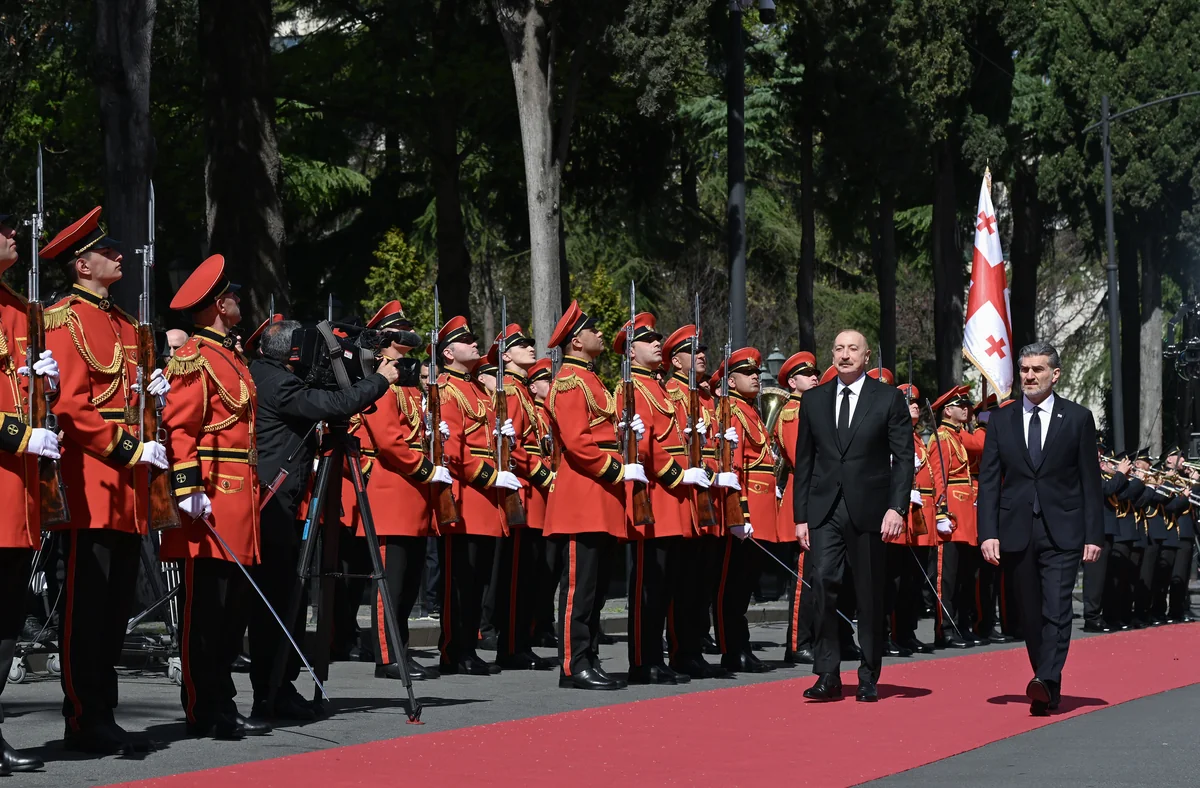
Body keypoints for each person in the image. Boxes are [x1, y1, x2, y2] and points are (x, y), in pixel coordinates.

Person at [41, 207, 170, 754]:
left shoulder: (124, 322)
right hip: (92, 478)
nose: (119, 255)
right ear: (81, 265)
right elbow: (71, 407)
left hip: (128, 486)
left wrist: (155, 396)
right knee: (87, 606)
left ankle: (103, 709)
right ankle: (83, 714)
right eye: (106, 250)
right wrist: (129, 448)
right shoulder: (64, 319)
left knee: (116, 608)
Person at [247, 317, 398, 718]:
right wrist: (379, 380)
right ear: (293, 352)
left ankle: (280, 686)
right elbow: (332, 405)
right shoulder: (279, 382)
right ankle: (273, 691)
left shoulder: (267, 373)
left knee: (287, 596)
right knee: (281, 598)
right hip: (275, 502)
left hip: (281, 498)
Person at [159, 254, 269, 740]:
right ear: (219, 306)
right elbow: (180, 428)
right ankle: (204, 705)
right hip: (212, 494)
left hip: (240, 495)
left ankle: (222, 700)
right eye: (233, 295)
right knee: (206, 609)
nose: (239, 300)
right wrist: (187, 487)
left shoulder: (230, 355)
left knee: (232, 611)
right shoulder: (194, 357)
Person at [977, 341, 1103, 716]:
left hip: (1062, 529)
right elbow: (989, 482)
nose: (1029, 376)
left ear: (1055, 374)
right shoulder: (1001, 420)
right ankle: (1047, 684)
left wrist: (1093, 535)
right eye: (1025, 370)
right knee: (1030, 614)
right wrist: (988, 532)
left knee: (1057, 608)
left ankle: (1045, 679)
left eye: (1037, 369)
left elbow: (1090, 481)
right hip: (1016, 529)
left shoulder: (1077, 418)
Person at [792, 329, 912, 703]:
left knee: (869, 593)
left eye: (853, 349)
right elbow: (804, 460)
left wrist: (897, 507)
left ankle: (868, 674)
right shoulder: (814, 400)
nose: (845, 355)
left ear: (866, 356)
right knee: (823, 583)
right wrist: (800, 516)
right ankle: (828, 673)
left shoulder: (887, 398)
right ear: (832, 354)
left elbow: (903, 458)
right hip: (824, 508)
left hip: (870, 509)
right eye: (839, 349)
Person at [346, 301, 449, 681]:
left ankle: (399, 650)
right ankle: (388, 657)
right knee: (390, 583)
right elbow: (389, 442)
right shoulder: (380, 384)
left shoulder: (405, 386)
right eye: (402, 329)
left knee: (407, 586)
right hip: (393, 492)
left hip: (413, 494)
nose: (411, 334)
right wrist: (427, 469)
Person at [544, 301, 644, 690]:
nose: (600, 334)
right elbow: (578, 443)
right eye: (593, 330)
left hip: (601, 494)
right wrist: (618, 469)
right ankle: (573, 665)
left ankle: (589, 657)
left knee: (597, 589)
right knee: (579, 588)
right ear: (575, 341)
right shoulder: (569, 381)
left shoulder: (591, 379)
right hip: (583, 495)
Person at [615, 313, 712, 685]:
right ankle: (644, 660)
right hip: (655, 495)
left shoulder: (658, 388)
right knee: (649, 586)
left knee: (673, 586)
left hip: (676, 499)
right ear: (631, 351)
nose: (657, 343)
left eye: (658, 338)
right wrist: (677, 474)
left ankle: (674, 654)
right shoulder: (633, 388)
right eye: (648, 339)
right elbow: (643, 446)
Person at [0, 213, 58, 774]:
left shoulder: (20, 309)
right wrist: (18, 434)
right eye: (2, 227)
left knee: (6, 622)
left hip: (16, 495)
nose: (13, 235)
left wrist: (48, 388)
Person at [435, 316, 521, 675]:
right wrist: (490, 476)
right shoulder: (445, 389)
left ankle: (468, 645)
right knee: (460, 580)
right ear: (448, 353)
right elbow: (453, 449)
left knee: (478, 580)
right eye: (467, 340)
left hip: (487, 497)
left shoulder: (478, 391)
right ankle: (454, 650)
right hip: (466, 494)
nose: (475, 344)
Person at [487, 324, 556, 671]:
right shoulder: (512, 393)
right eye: (521, 345)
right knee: (517, 577)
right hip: (524, 493)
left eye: (530, 344)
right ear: (506, 356)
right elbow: (509, 447)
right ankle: (512, 646)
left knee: (530, 576)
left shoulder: (524, 392)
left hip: (536, 496)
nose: (530, 348)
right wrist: (542, 473)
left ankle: (521, 642)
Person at [713, 347, 778, 674]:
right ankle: (732, 649)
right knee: (734, 586)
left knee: (746, 585)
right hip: (747, 510)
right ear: (730, 380)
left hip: (762, 510)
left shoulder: (750, 411)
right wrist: (740, 515)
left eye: (756, 372)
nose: (755, 377)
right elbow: (733, 465)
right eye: (747, 373)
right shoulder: (732, 411)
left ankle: (742, 646)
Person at [927, 384, 986, 648]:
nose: (967, 409)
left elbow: (979, 445)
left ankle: (962, 625)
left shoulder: (957, 435)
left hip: (965, 515)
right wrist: (940, 511)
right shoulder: (942, 437)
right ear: (947, 411)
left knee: (964, 576)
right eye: (961, 406)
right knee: (947, 577)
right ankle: (945, 629)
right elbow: (940, 477)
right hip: (951, 512)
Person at [772, 351, 820, 665]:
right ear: (792, 381)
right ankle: (797, 643)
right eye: (808, 374)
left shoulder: (811, 410)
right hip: (804, 495)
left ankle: (811, 638)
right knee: (804, 575)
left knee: (817, 574)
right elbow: (800, 458)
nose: (815, 377)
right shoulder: (793, 413)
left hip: (817, 493)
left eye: (816, 373)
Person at [883, 383, 936, 656]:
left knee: (912, 578)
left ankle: (906, 631)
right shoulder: (892, 434)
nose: (914, 405)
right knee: (892, 577)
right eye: (908, 401)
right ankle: (887, 633)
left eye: (916, 402)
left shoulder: (915, 437)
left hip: (915, 513)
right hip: (896, 511)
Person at [525, 357, 560, 647]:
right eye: (547, 380)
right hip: (541, 492)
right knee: (538, 568)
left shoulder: (552, 414)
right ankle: (536, 625)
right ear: (533, 386)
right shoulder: (534, 414)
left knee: (554, 567)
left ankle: (545, 623)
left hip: (557, 498)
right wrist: (549, 477)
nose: (552, 385)